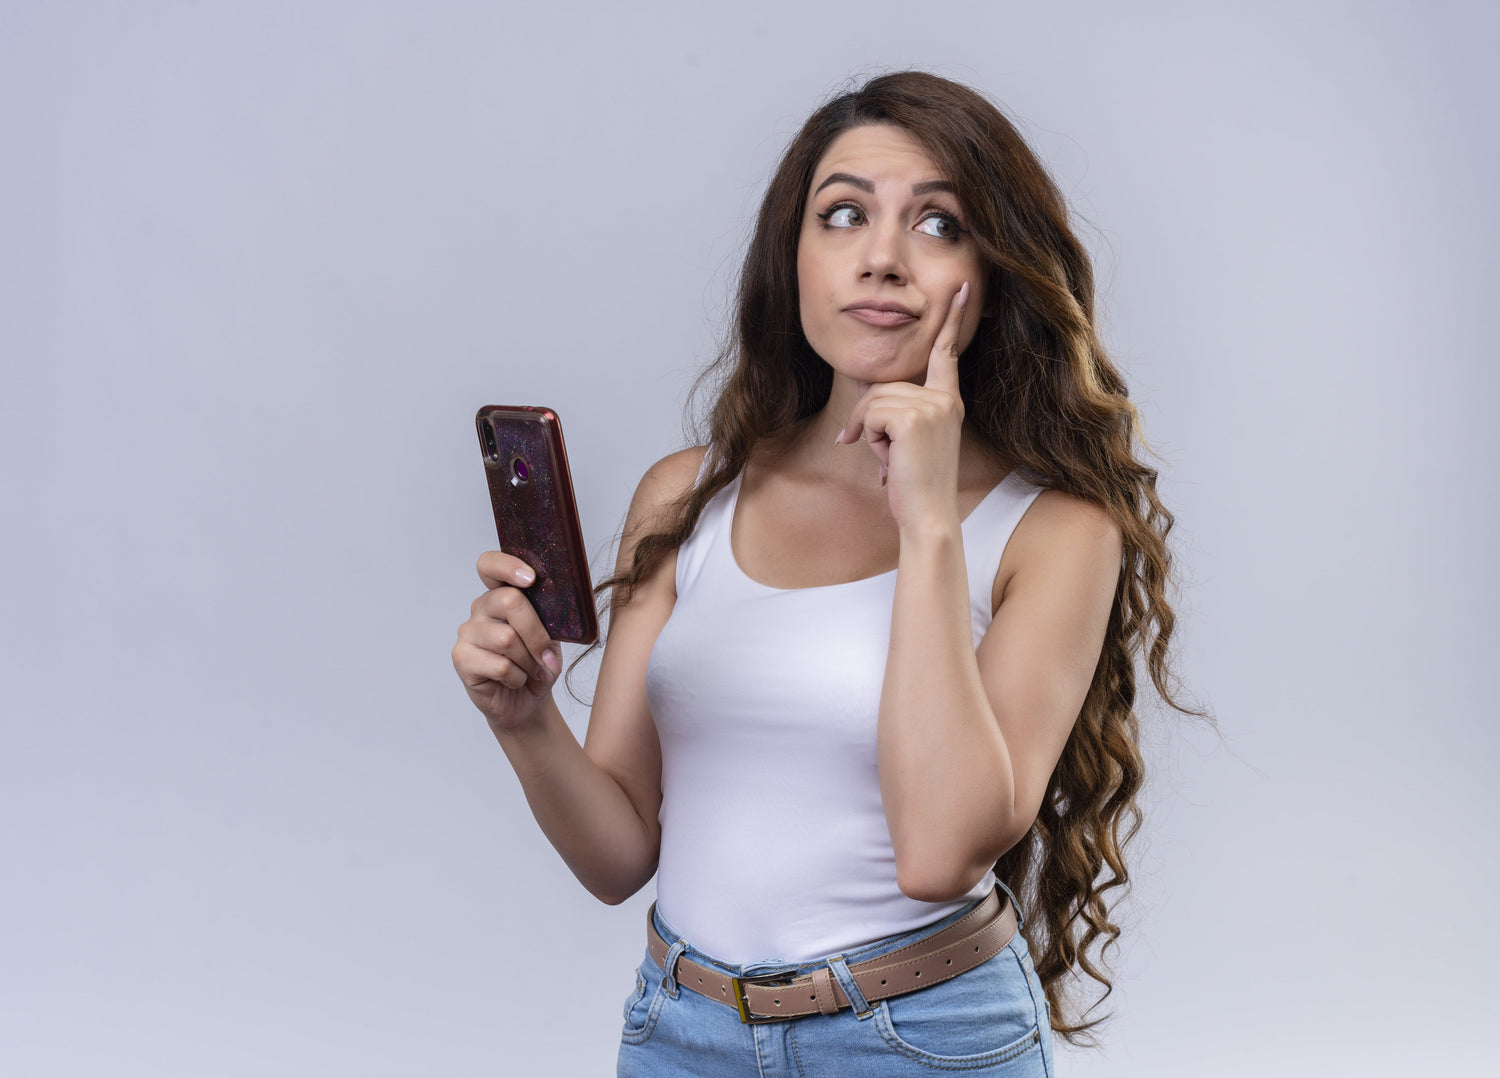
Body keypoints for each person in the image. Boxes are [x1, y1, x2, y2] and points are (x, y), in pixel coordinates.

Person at [452, 71, 1197, 1077]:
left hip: (923, 1039)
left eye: (938, 226)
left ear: (993, 273)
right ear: (792, 258)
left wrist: (928, 524)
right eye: (841, 214)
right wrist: (523, 716)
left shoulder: (1055, 530)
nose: (882, 258)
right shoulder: (686, 498)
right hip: (682, 1032)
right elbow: (618, 852)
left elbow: (941, 852)